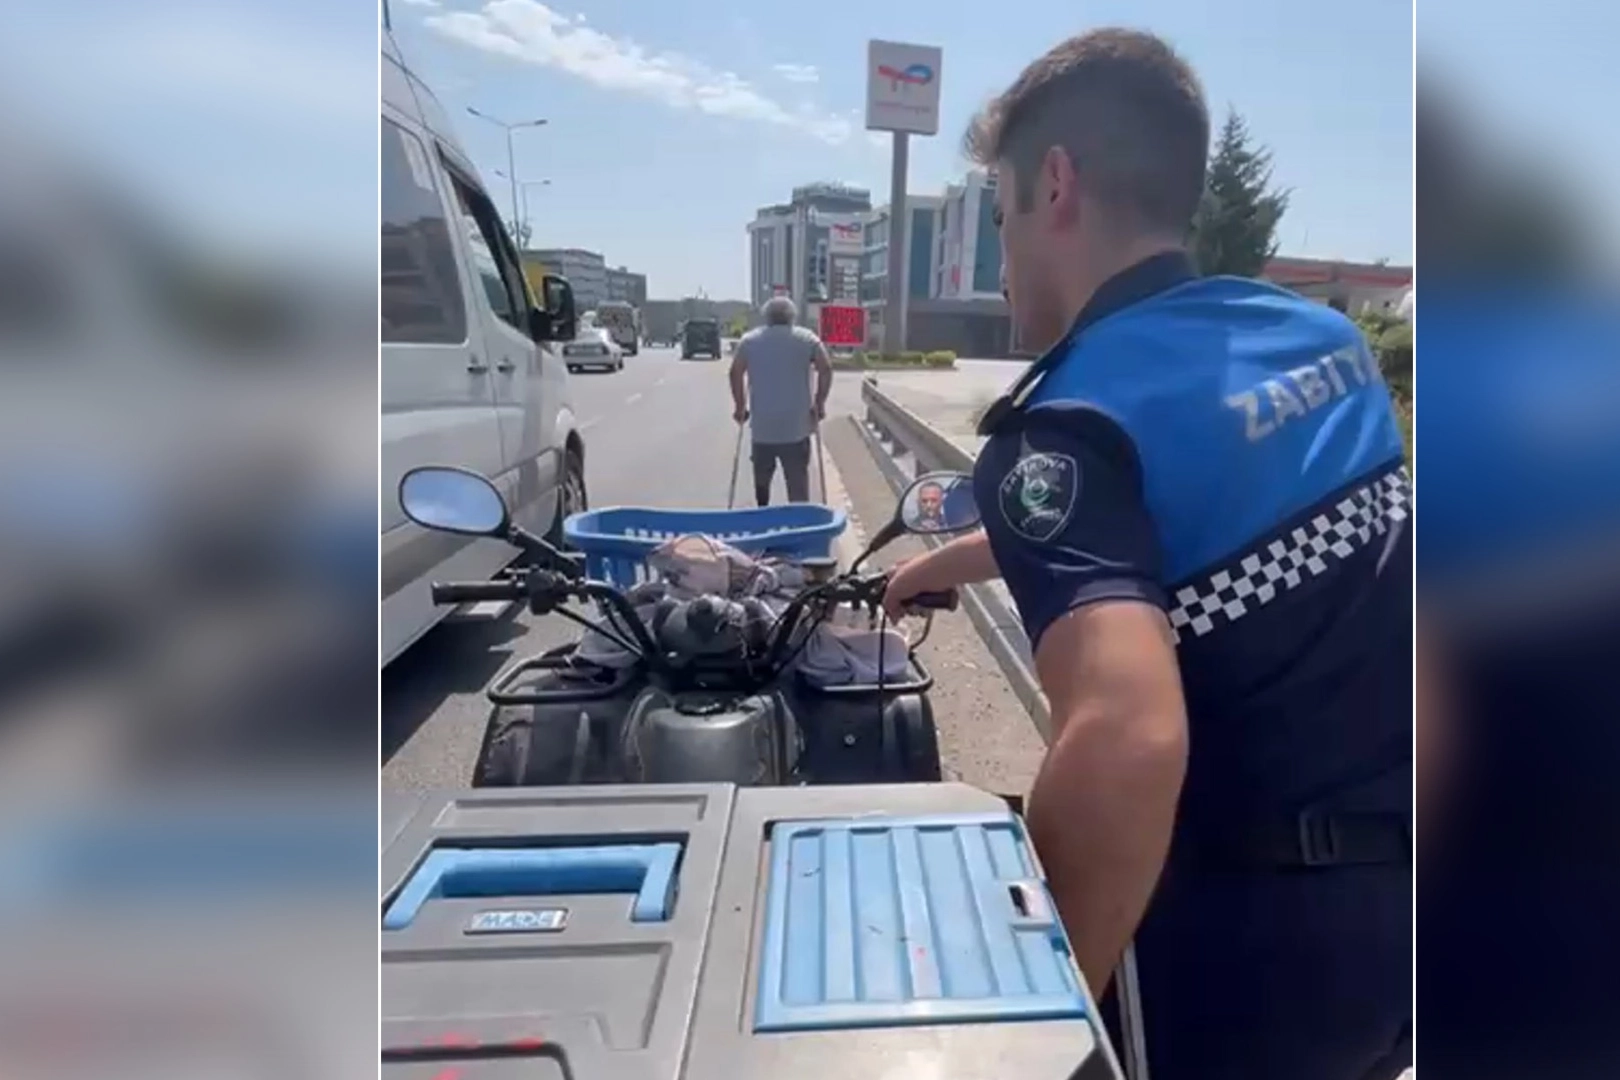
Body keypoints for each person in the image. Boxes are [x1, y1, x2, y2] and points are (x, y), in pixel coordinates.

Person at [883, 28, 1411, 1080]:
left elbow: (1127, 739)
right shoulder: (1319, 343)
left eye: (1002, 218)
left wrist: (1032, 1034)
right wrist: (943, 564)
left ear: (1056, 185)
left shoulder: (1064, 427)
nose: (1003, 262)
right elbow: (1177, 518)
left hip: (1236, 968)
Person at [728, 296, 833, 506]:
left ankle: (764, 515)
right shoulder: (807, 338)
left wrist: (740, 407)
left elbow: (735, 372)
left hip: (763, 427)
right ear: (792, 317)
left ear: (766, 317)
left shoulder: (750, 340)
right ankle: (798, 519)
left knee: (762, 484)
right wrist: (819, 403)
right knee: (797, 486)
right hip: (796, 427)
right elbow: (826, 369)